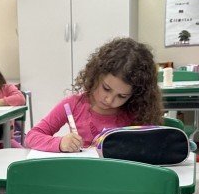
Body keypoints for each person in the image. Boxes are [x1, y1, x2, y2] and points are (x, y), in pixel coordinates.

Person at [25, 37, 163, 152]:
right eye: (106, 88)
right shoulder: (73, 105)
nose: (109, 100)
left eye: (122, 96)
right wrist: (60, 143)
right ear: (96, 74)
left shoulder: (136, 112)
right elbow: (31, 137)